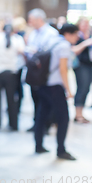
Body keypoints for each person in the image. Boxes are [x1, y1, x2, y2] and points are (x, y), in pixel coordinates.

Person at [35, 23, 78, 161]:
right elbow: (63, 69)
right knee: (63, 118)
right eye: (76, 34)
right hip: (55, 86)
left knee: (41, 115)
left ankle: (38, 145)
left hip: (43, 83)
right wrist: (68, 89)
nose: (77, 38)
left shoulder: (51, 40)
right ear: (68, 34)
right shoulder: (64, 46)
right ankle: (61, 150)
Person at [0, 24, 25, 131]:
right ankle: (13, 124)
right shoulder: (17, 40)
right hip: (11, 73)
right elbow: (22, 53)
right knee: (11, 100)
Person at [26, 8, 58, 132]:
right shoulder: (33, 33)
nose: (30, 23)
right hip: (34, 72)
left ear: (39, 19)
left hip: (45, 73)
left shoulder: (51, 33)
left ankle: (46, 124)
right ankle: (37, 124)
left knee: (46, 100)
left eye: (32, 20)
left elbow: (49, 53)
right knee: (35, 99)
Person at [71, 17, 92, 123]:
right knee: (82, 88)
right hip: (80, 65)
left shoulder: (89, 35)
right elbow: (73, 50)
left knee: (86, 89)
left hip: (89, 65)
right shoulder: (77, 36)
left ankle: (81, 113)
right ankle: (78, 114)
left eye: (87, 24)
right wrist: (85, 43)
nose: (85, 26)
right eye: (83, 24)